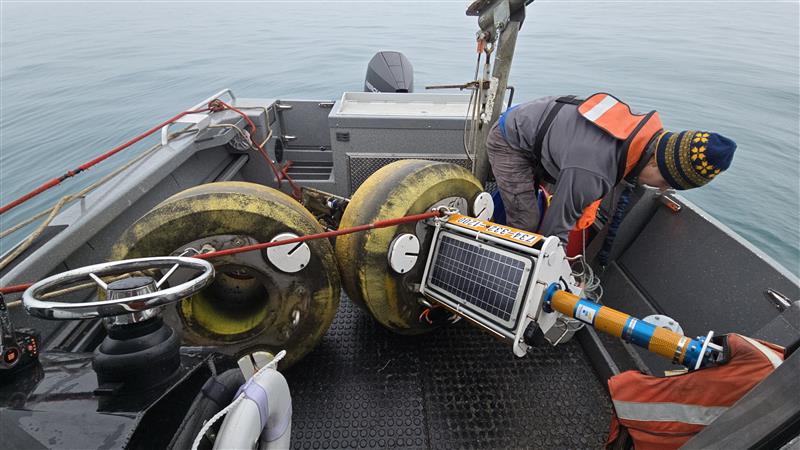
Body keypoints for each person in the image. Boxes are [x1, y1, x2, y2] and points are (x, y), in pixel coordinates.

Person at [486, 93, 737, 246]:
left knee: (552, 206)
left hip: (547, 136)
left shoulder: (641, 136)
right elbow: (553, 236)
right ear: (653, 161)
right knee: (527, 225)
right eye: (664, 181)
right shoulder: (592, 170)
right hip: (512, 140)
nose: (660, 188)